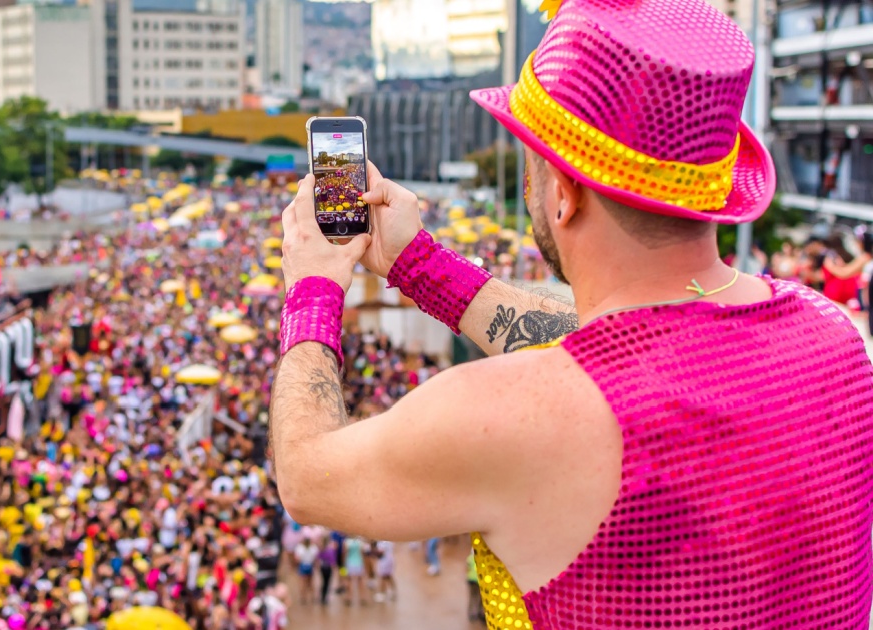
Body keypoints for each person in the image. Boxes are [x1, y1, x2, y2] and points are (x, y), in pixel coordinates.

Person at [269, 0, 873, 626]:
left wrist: (313, 286)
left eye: (531, 160)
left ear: (563, 194)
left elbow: (307, 478)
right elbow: (620, 350)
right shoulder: (834, 335)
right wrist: (416, 263)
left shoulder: (508, 414)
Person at [291, 537, 317, 604]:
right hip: (309, 565)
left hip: (303, 566)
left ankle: (304, 597)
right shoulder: (313, 548)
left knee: (303, 582)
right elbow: (315, 559)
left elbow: (297, 559)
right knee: (309, 582)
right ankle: (312, 597)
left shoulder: (300, 548)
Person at [466, 546, 484, 623]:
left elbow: (467, 568)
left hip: (471, 580)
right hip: (480, 580)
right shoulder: (482, 559)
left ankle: (472, 613)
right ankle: (481, 613)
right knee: (481, 597)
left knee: (473, 596)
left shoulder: (470, 558)